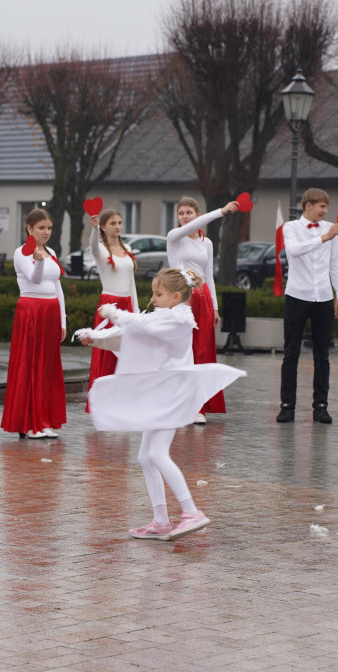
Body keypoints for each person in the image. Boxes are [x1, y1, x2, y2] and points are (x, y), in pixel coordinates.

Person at [77, 268, 245, 540]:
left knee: (156, 454)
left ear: (176, 296)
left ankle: (192, 512)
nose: (152, 299)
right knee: (146, 457)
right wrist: (95, 338)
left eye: (158, 294)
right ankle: (161, 521)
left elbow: (140, 326)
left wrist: (115, 313)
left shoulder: (178, 320)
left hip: (172, 397)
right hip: (163, 395)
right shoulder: (163, 317)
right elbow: (132, 337)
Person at [276, 188, 338, 425]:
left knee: (322, 354)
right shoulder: (291, 228)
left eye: (326, 207)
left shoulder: (329, 229)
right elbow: (293, 251)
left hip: (324, 297)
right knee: (291, 353)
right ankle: (287, 406)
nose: (325, 211)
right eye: (322, 207)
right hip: (297, 295)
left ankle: (321, 406)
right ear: (308, 205)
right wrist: (323, 238)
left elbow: (336, 264)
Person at [167, 196, 239, 424]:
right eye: (181, 213)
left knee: (201, 352)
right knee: (181, 353)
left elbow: (209, 276)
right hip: (181, 299)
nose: (185, 216)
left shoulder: (206, 243)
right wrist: (222, 211)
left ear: (197, 214)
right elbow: (190, 228)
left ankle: (199, 406)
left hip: (203, 298)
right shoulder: (174, 237)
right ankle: (179, 404)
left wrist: (215, 307)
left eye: (189, 212)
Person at [1, 208, 67, 439]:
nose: (46, 232)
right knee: (30, 364)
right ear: (29, 228)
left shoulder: (52, 251)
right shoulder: (22, 252)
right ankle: (28, 423)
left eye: (49, 228)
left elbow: (58, 286)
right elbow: (34, 278)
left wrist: (63, 320)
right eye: (41, 228)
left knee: (47, 366)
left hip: (50, 311)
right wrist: (38, 263)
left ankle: (44, 420)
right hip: (31, 310)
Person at [85, 209, 139, 404]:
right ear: (105, 227)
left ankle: (122, 400)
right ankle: (103, 401)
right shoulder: (101, 250)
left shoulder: (128, 250)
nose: (117, 226)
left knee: (125, 354)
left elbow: (131, 282)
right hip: (109, 305)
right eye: (113, 223)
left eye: (119, 223)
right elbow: (92, 247)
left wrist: (136, 310)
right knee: (107, 353)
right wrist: (94, 229)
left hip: (126, 305)